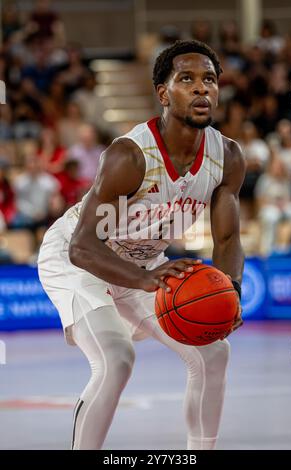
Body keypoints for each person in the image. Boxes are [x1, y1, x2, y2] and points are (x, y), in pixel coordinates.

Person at [38, 40, 245, 450]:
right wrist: (144, 278)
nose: (201, 88)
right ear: (164, 93)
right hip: (76, 259)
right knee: (116, 360)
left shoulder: (228, 157)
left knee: (214, 353)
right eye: (186, 79)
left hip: (144, 264)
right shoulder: (130, 156)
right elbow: (82, 248)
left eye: (209, 79)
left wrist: (231, 291)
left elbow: (227, 237)